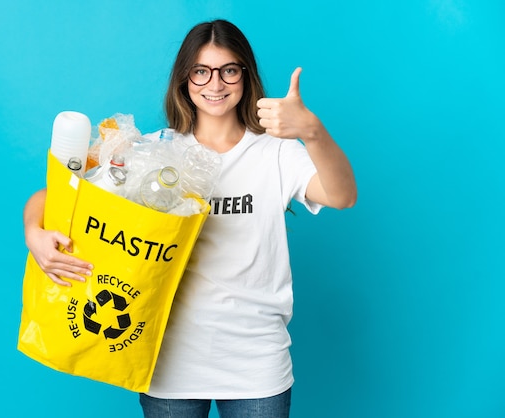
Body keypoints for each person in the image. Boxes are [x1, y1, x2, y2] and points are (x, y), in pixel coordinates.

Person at [23, 19, 357, 418]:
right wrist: (34, 232)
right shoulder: (152, 154)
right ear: (185, 80)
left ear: (245, 76)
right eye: (201, 71)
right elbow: (53, 194)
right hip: (167, 358)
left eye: (228, 70)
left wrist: (313, 132)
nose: (214, 84)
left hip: (256, 360)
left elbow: (342, 196)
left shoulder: (277, 153)